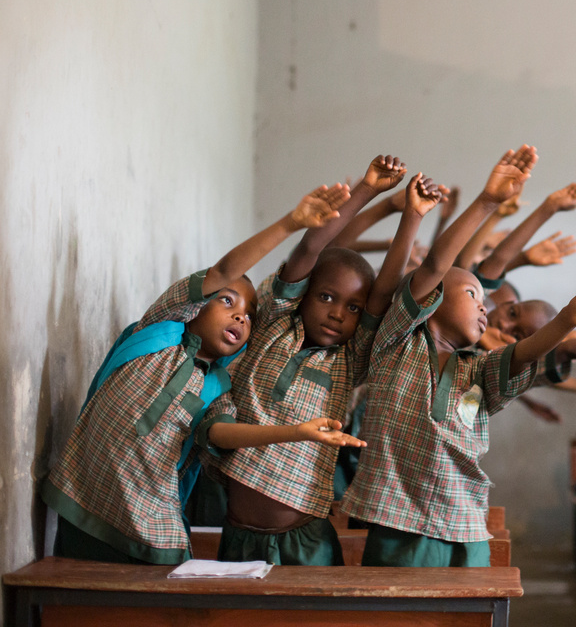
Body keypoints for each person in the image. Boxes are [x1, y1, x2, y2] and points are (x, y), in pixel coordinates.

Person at [339, 146, 576, 567]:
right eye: (472, 294)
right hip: (397, 525)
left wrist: (568, 319)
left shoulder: (477, 371)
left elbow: (523, 354)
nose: (484, 305)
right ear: (431, 301)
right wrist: (487, 201)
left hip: (465, 528)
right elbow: (435, 266)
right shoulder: (395, 344)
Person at [43, 185, 364, 564]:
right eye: (226, 300)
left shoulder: (218, 388)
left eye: (250, 315)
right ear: (196, 305)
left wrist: (296, 432)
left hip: (152, 531)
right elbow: (225, 270)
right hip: (82, 499)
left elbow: (220, 433)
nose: (240, 315)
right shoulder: (160, 331)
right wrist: (290, 223)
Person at [208, 158, 443, 565]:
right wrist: (367, 189)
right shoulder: (274, 324)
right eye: (327, 297)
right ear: (303, 294)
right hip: (238, 535)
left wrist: (412, 216)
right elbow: (309, 249)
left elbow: (383, 293)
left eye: (352, 308)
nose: (337, 314)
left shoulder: (350, 359)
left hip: (304, 542)